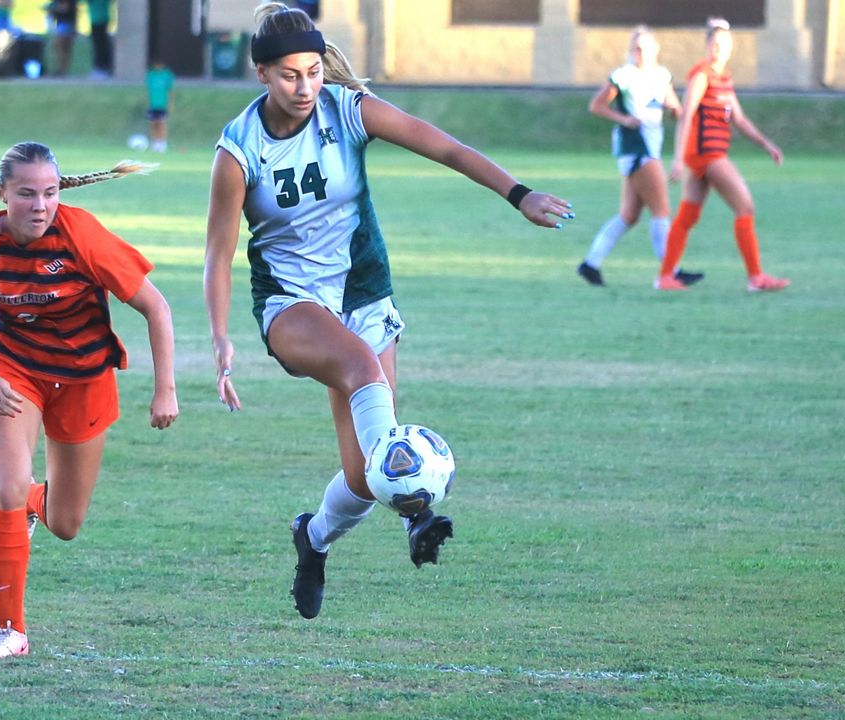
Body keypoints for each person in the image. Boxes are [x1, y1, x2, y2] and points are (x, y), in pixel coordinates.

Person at [203, 2, 572, 620]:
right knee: (361, 371)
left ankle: (312, 539)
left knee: (365, 477)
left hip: (364, 293)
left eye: (315, 72)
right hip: (292, 302)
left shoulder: (347, 112)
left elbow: (445, 148)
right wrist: (219, 338)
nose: (305, 87)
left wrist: (519, 194)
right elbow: (217, 254)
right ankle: (419, 514)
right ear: (262, 73)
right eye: (290, 74)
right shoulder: (239, 149)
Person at [0, 142, 179, 659]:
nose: (39, 205)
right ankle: (12, 631)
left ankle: (32, 503)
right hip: (15, 369)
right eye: (26, 194)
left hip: (84, 379)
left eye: (48, 193)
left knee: (66, 524)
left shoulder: (81, 235)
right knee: (6, 485)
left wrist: (166, 389)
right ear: (3, 193)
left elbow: (155, 307)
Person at [655, 17, 789, 293]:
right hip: (707, 154)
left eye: (723, 45)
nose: (718, 49)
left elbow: (739, 119)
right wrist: (678, 159)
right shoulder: (701, 75)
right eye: (714, 44)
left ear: (730, 49)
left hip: (707, 155)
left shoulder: (724, 79)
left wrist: (767, 145)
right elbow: (686, 115)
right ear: (707, 46)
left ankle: (665, 277)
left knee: (688, 215)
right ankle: (756, 278)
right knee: (745, 207)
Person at [578, 26, 702, 288]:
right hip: (636, 148)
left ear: (655, 50)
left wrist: (674, 108)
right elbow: (596, 105)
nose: (640, 53)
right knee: (662, 210)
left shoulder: (660, 75)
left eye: (645, 48)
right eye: (636, 48)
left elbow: (675, 108)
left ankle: (590, 264)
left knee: (629, 215)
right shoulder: (624, 76)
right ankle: (671, 271)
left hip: (650, 147)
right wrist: (624, 119)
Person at [145, 57, 174, 153]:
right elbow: (148, 90)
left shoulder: (166, 75)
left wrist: (170, 104)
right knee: (153, 123)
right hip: (153, 104)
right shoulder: (151, 75)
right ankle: (155, 143)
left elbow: (170, 90)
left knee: (162, 123)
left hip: (162, 104)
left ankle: (162, 143)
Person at [46, 0, 77, 76]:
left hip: (66, 24)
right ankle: (61, 69)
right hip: (62, 24)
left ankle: (63, 70)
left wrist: (52, 9)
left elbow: (64, 8)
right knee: (59, 48)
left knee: (62, 48)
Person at [86, 0, 112, 78]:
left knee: (100, 45)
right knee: (99, 44)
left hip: (99, 20)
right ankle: (101, 67)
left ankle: (101, 68)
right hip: (98, 20)